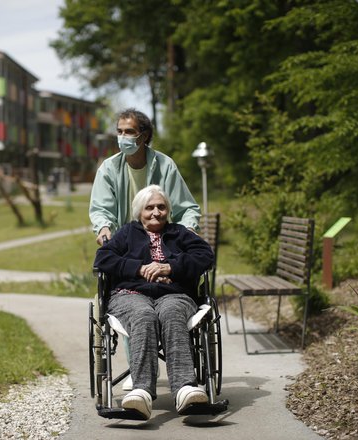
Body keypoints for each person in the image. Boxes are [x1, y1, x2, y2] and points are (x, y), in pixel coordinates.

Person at [93, 185, 214, 420]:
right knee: (143, 315)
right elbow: (103, 257)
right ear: (140, 212)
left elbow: (205, 255)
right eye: (149, 208)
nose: (156, 212)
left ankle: (185, 389)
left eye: (161, 207)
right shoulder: (127, 233)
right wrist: (138, 268)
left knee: (171, 313)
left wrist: (170, 267)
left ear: (168, 210)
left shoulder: (180, 233)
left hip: (174, 294)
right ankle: (141, 392)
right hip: (131, 294)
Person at [89, 108, 201, 246]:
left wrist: (188, 229)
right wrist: (104, 227)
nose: (123, 136)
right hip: (124, 246)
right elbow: (101, 209)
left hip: (162, 245)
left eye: (129, 131)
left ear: (144, 136)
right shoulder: (108, 169)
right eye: (120, 132)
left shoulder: (165, 165)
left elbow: (186, 209)